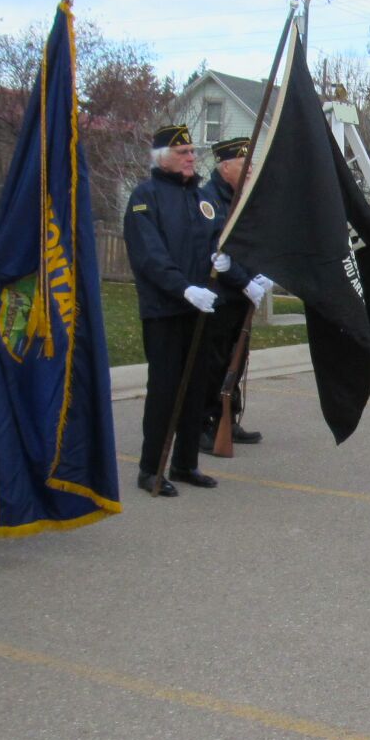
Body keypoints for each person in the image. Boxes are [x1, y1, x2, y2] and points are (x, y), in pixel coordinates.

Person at [122, 124, 219, 495]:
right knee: (165, 390)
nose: (192, 157)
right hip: (165, 309)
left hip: (201, 308)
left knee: (196, 390)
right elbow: (150, 254)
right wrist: (184, 288)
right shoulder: (145, 197)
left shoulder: (200, 199)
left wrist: (224, 262)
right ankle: (151, 468)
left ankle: (185, 462)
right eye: (183, 153)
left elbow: (216, 238)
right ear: (162, 158)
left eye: (193, 152)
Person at [197, 136, 272, 452]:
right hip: (219, 297)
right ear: (226, 167)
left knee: (236, 359)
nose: (251, 169)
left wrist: (261, 276)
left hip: (242, 296)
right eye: (245, 164)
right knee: (212, 363)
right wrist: (244, 282)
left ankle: (229, 416)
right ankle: (202, 424)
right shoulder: (209, 200)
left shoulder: (244, 198)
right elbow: (216, 252)